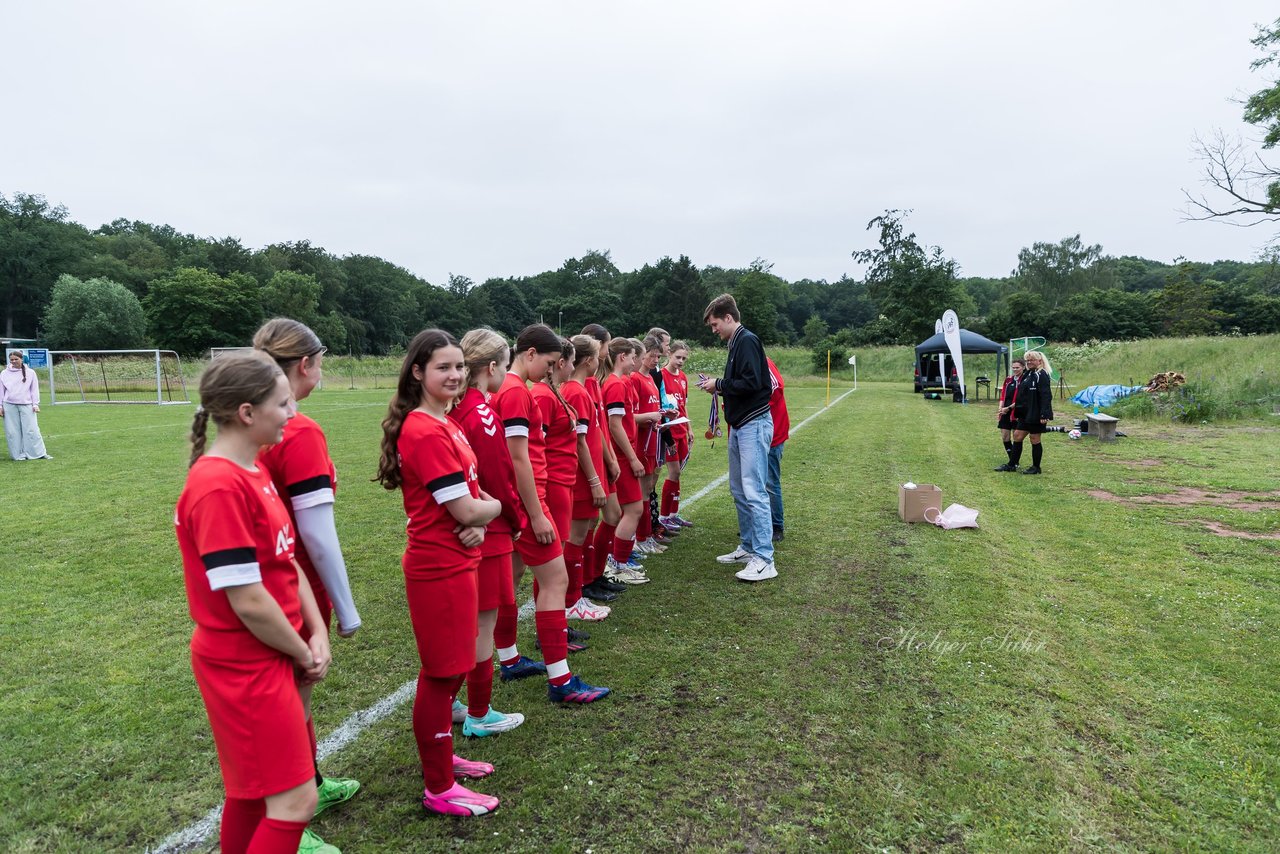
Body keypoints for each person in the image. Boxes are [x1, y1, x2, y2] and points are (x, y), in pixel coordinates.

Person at [175, 351, 338, 854]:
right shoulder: (217, 484)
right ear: (247, 413)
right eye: (283, 404)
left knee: (251, 797)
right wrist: (299, 650)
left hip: (270, 652)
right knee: (295, 803)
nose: (292, 414)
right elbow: (247, 599)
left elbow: (286, 565)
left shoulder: (253, 470)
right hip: (244, 663)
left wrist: (316, 630)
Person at [375, 329, 503, 816]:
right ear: (417, 372)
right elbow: (469, 510)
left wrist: (474, 514)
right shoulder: (424, 429)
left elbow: (465, 508)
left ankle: (445, 759)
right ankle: (438, 786)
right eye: (442, 368)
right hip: (437, 566)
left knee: (456, 667)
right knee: (441, 673)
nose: (453, 375)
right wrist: (485, 510)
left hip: (459, 559)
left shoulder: (445, 421)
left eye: (458, 367)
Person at [252, 318, 362, 825]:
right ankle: (290, 816)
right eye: (321, 363)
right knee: (292, 701)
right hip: (290, 585)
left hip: (265, 578)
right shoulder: (299, 431)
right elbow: (317, 535)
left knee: (296, 696)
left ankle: (311, 783)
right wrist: (344, 607)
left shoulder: (251, 420)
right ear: (305, 365)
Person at [492, 323, 611, 703]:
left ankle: (509, 658)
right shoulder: (516, 393)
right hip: (534, 503)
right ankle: (560, 682)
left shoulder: (516, 391)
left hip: (531, 501)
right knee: (554, 581)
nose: (550, 368)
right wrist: (536, 512)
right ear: (529, 354)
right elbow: (519, 458)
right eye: (548, 361)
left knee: (511, 581)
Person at [449, 328, 529, 737]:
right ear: (493, 366)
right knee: (482, 623)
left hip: (467, 524)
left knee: (466, 622)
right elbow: (500, 474)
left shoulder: (455, 407)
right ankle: (480, 714)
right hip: (489, 527)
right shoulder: (481, 411)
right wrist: (516, 519)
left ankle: (453, 702)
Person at [695, 293, 777, 582]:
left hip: (753, 425)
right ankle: (748, 546)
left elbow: (757, 382)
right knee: (739, 490)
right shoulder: (736, 343)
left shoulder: (747, 340)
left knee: (754, 491)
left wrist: (719, 384)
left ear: (729, 318)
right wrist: (720, 385)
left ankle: (765, 559)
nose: (713, 329)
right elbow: (742, 381)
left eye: (715, 324)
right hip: (740, 426)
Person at [534, 337, 610, 621]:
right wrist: (593, 480)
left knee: (568, 545)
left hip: (567, 480)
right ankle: (570, 601)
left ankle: (572, 599)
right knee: (563, 548)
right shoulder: (558, 393)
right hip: (561, 481)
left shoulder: (560, 391)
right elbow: (543, 445)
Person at [601, 337, 651, 584]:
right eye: (633, 357)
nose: (635, 362)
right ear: (622, 357)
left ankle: (616, 560)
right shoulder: (616, 385)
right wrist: (632, 458)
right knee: (632, 510)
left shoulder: (616, 383)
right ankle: (616, 563)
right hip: (621, 455)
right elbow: (614, 424)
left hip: (622, 454)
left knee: (627, 510)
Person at [630, 337, 668, 555]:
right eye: (651, 355)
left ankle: (644, 536)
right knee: (641, 492)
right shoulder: (634, 378)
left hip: (652, 441)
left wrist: (662, 415)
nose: (655, 360)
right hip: (640, 444)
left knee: (647, 490)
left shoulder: (651, 379)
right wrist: (649, 417)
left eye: (657, 356)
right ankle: (639, 538)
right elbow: (629, 415)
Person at [658, 341, 693, 529]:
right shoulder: (661, 376)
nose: (680, 361)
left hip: (682, 430)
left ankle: (673, 513)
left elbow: (683, 405)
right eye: (678, 357)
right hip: (669, 431)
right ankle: (664, 516)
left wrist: (690, 429)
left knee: (678, 473)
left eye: (684, 358)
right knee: (674, 472)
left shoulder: (684, 377)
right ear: (669, 354)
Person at [2, 350, 52, 461]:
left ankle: (39, 453)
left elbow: (34, 390)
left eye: (16, 359)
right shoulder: (4, 373)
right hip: (9, 405)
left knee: (32, 429)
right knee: (12, 431)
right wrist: (0, 406)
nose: (14, 361)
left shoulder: (30, 373)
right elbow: (1, 391)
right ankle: (18, 455)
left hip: (26, 404)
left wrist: (35, 404)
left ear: (22, 359)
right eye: (12, 360)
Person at [1012, 351, 1053, 475]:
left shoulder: (1042, 374)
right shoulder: (1028, 374)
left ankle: (1036, 467)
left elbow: (1046, 396)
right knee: (1017, 435)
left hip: (1036, 413)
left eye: (1032, 360)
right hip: (1025, 413)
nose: (1029, 362)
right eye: (1027, 360)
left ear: (1039, 361)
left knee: (1034, 438)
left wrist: (1044, 414)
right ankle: (1012, 464)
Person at [765, 356, 789, 542]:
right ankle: (760, 525)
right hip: (759, 435)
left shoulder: (761, 361)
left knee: (771, 482)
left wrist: (749, 406)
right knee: (755, 484)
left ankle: (776, 526)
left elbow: (776, 388)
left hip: (773, 434)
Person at [994, 359, 1026, 472]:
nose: (1015, 369)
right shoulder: (1008, 380)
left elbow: (1022, 399)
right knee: (1005, 436)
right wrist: (1000, 407)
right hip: (1005, 411)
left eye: (1017, 367)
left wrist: (1009, 408)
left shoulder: (1025, 380)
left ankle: (1013, 463)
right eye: (1013, 367)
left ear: (1023, 367)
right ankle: (1013, 461)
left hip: (1016, 412)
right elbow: (1003, 395)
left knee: (1016, 437)